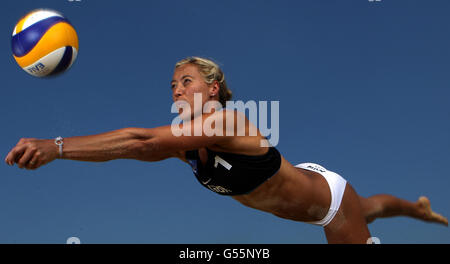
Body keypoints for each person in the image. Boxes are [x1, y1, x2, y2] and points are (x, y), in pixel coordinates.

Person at [4, 57, 448, 243]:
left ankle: (416, 210)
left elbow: (142, 139)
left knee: (363, 207)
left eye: (187, 81)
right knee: (370, 203)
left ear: (213, 89)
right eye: (173, 84)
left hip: (327, 205)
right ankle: (421, 209)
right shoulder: (189, 145)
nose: (177, 89)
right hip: (302, 177)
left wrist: (58, 146)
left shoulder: (227, 122)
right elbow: (138, 149)